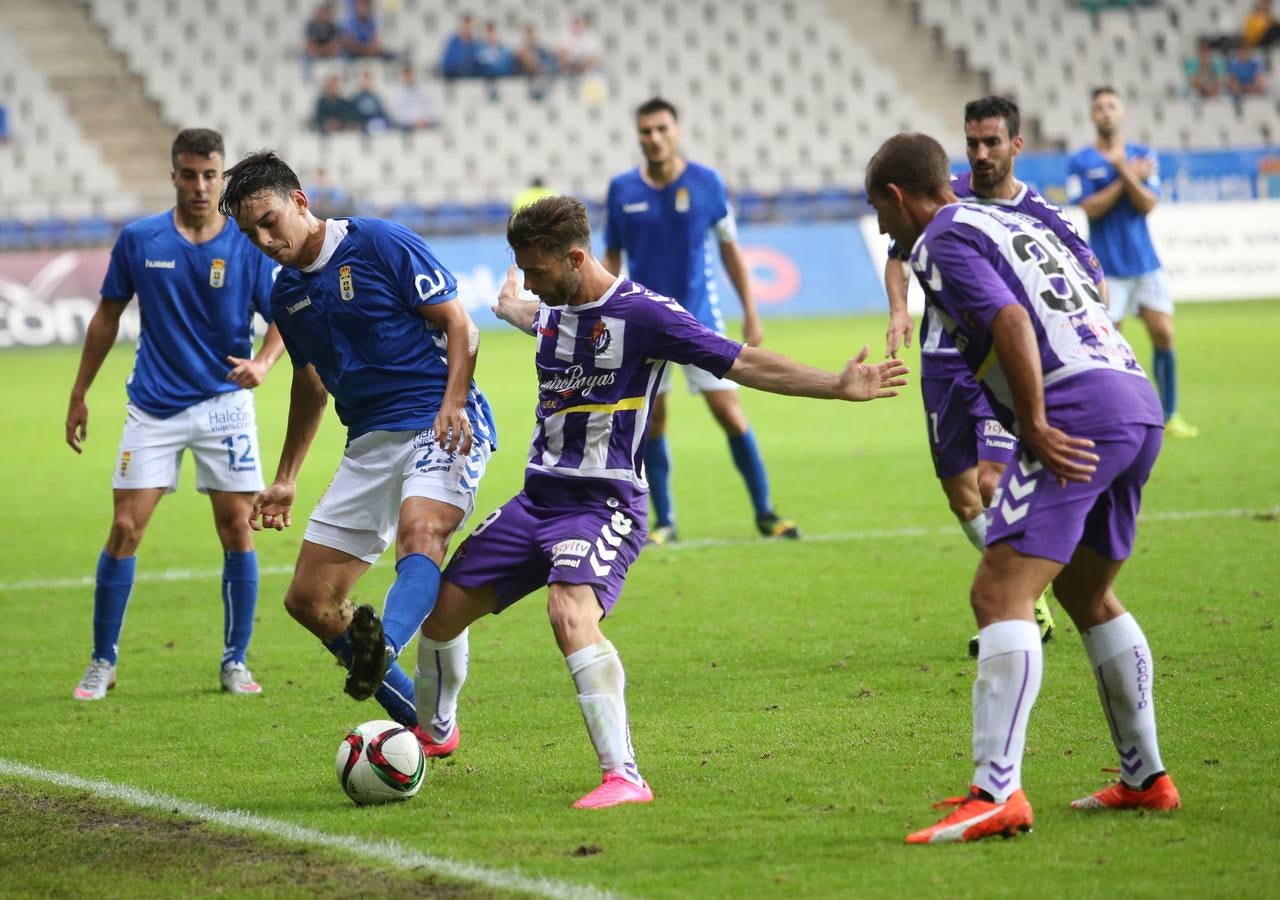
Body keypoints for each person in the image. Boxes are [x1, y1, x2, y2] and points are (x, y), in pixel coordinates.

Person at [411, 195, 908, 808]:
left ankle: (624, 775)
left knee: (569, 613)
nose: (533, 283)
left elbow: (741, 361)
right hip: (536, 500)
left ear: (574, 257)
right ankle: (433, 734)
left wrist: (834, 386)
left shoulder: (645, 315)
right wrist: (513, 301)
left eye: (538, 272)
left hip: (604, 505)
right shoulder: (552, 308)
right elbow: (527, 313)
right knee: (439, 616)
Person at [865, 132, 1179, 844]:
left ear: (895, 196)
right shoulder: (1007, 218)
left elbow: (1008, 320)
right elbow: (1086, 292)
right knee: (1085, 592)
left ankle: (996, 791)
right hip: (1133, 395)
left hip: (1077, 406)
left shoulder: (939, 240)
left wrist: (1032, 422)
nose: (884, 230)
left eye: (880, 214)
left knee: (997, 593)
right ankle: (1146, 778)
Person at [219, 151, 497, 742]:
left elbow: (460, 326)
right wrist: (287, 475)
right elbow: (311, 383)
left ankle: (386, 644)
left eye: (269, 221)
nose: (265, 240)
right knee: (308, 601)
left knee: (422, 534)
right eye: (251, 234)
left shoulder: (378, 243)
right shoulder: (286, 295)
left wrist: (454, 401)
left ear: (300, 200)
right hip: (369, 442)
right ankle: (425, 725)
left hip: (439, 420)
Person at [65, 128, 284, 701]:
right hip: (154, 407)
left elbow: (285, 313)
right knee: (124, 528)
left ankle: (235, 660)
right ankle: (102, 660)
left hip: (225, 406)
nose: (201, 186)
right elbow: (106, 316)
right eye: (189, 174)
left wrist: (263, 362)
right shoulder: (140, 239)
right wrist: (79, 392)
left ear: (221, 177)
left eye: (211, 175)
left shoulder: (246, 241)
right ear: (173, 176)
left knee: (237, 529)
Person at [886, 97, 1107, 656]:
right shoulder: (944, 196)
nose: (980, 154)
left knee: (992, 481)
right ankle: (1027, 594)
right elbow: (897, 254)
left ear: (1016, 145)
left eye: (991, 143)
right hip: (940, 362)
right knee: (963, 499)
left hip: (999, 365)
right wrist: (898, 310)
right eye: (972, 143)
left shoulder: (1042, 214)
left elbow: (1093, 281)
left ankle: (1024, 601)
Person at [604, 97, 794, 544]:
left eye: (661, 129)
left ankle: (766, 512)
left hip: (700, 320)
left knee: (729, 413)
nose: (653, 138)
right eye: (645, 131)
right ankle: (664, 522)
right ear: (638, 135)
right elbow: (611, 256)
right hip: (643, 322)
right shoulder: (621, 190)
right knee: (653, 421)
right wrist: (606, 314)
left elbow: (730, 249)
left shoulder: (707, 183)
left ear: (677, 131)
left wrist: (750, 310)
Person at [1066, 88, 1197, 437]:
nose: (1105, 113)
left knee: (1164, 333)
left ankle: (1170, 415)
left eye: (1111, 106)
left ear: (1121, 112)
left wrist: (1122, 169)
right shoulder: (1081, 161)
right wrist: (1127, 174)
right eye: (1099, 108)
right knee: (1111, 347)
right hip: (1106, 270)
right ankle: (1114, 415)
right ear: (1092, 116)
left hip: (1145, 265)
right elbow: (1090, 208)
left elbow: (1147, 204)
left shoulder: (1143, 154)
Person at [386, 65, 438, 131]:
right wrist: (413, 121)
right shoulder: (395, 93)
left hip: (425, 122)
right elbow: (395, 114)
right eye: (406, 75)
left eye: (410, 75)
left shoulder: (423, 91)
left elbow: (431, 107)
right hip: (407, 125)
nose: (409, 77)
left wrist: (425, 119)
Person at [349, 69, 390, 134]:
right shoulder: (355, 97)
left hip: (373, 124)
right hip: (361, 124)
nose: (366, 82)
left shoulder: (375, 97)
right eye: (364, 80)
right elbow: (353, 114)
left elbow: (380, 113)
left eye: (367, 80)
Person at [440, 14, 478, 80]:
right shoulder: (453, 43)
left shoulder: (476, 44)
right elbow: (447, 64)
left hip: (472, 80)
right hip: (456, 79)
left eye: (469, 26)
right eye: (465, 25)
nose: (467, 28)